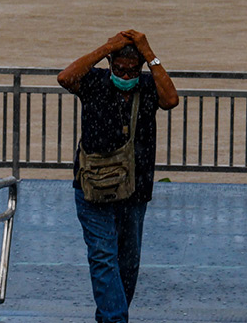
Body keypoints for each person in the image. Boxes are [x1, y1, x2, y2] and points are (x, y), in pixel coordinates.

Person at [57, 29, 179, 323]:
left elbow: (171, 99)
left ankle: (111, 316)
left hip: (135, 191)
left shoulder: (149, 87)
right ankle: (115, 320)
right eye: (119, 69)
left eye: (131, 70)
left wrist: (149, 54)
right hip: (92, 188)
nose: (125, 76)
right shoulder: (95, 82)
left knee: (127, 264)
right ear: (110, 64)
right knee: (103, 257)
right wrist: (105, 48)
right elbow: (65, 78)